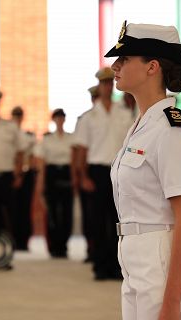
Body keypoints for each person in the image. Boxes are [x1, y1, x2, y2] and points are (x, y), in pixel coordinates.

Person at [106, 21, 181, 319]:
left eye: (124, 59)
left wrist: (172, 301)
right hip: (136, 258)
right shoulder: (142, 126)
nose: (115, 66)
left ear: (152, 67)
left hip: (162, 261)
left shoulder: (170, 129)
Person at [74, 67, 132, 279]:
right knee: (98, 221)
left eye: (110, 83)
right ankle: (100, 266)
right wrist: (83, 177)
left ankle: (117, 266)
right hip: (97, 172)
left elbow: (131, 145)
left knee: (119, 220)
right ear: (99, 86)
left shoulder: (125, 114)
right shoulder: (88, 117)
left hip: (119, 171)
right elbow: (81, 150)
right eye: (104, 83)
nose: (107, 87)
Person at [0, 89, 24, 268]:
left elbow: (20, 151)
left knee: (8, 218)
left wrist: (18, 174)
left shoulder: (10, 127)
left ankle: (6, 256)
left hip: (6, 178)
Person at [34, 109, 76, 258]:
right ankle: (53, 246)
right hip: (51, 175)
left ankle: (64, 245)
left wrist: (74, 180)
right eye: (57, 118)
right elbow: (42, 164)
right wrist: (41, 183)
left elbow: (73, 161)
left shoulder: (71, 138)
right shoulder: (47, 139)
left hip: (66, 174)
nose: (59, 120)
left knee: (66, 212)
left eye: (62, 118)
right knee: (52, 213)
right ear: (54, 120)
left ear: (64, 120)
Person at [72, 85, 99, 263]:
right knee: (91, 216)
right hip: (91, 171)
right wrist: (79, 176)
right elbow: (77, 151)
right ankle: (92, 249)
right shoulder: (86, 119)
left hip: (109, 170)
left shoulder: (119, 115)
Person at [11, 106, 37, 250]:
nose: (17, 117)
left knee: (25, 209)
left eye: (19, 115)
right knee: (12, 209)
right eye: (15, 115)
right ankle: (12, 240)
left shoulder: (28, 135)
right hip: (12, 173)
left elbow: (32, 156)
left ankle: (24, 241)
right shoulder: (8, 133)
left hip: (26, 174)